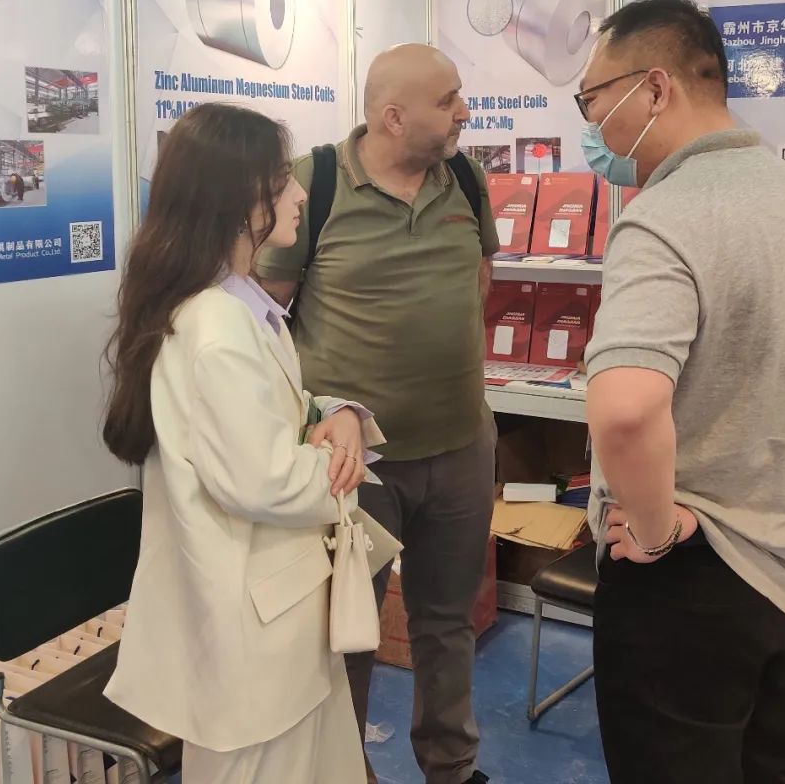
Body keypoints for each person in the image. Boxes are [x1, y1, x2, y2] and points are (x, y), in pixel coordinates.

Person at [578, 0, 785, 784]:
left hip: (692, 579)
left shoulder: (665, 216)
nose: (591, 120)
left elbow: (625, 409)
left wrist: (656, 531)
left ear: (654, 88)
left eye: (594, 97)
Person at [101, 102, 397, 783]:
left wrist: (339, 416)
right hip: (258, 624)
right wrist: (339, 462)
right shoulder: (218, 324)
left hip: (278, 610)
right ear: (240, 199)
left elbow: (279, 414)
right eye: (282, 181)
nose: (298, 195)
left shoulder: (237, 305)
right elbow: (265, 479)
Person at [256, 44, 497, 784]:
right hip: (356, 463)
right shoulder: (317, 183)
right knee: (349, 631)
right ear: (393, 117)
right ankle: (345, 772)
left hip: (461, 446)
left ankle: (451, 768)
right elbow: (267, 314)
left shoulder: (465, 178)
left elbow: (480, 277)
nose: (464, 111)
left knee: (447, 624)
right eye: (448, 100)